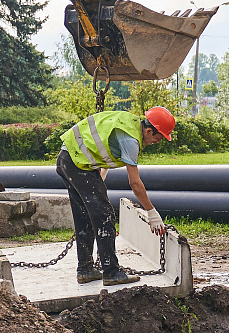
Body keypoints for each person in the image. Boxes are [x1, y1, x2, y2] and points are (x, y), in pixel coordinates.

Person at [56, 106, 174, 285]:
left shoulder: (128, 122)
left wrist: (100, 173)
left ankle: (86, 269)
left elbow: (100, 142)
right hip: (78, 164)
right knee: (105, 216)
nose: (157, 142)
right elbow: (135, 183)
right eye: (158, 137)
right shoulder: (131, 140)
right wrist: (151, 211)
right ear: (149, 131)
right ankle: (111, 272)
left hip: (69, 158)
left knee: (84, 216)